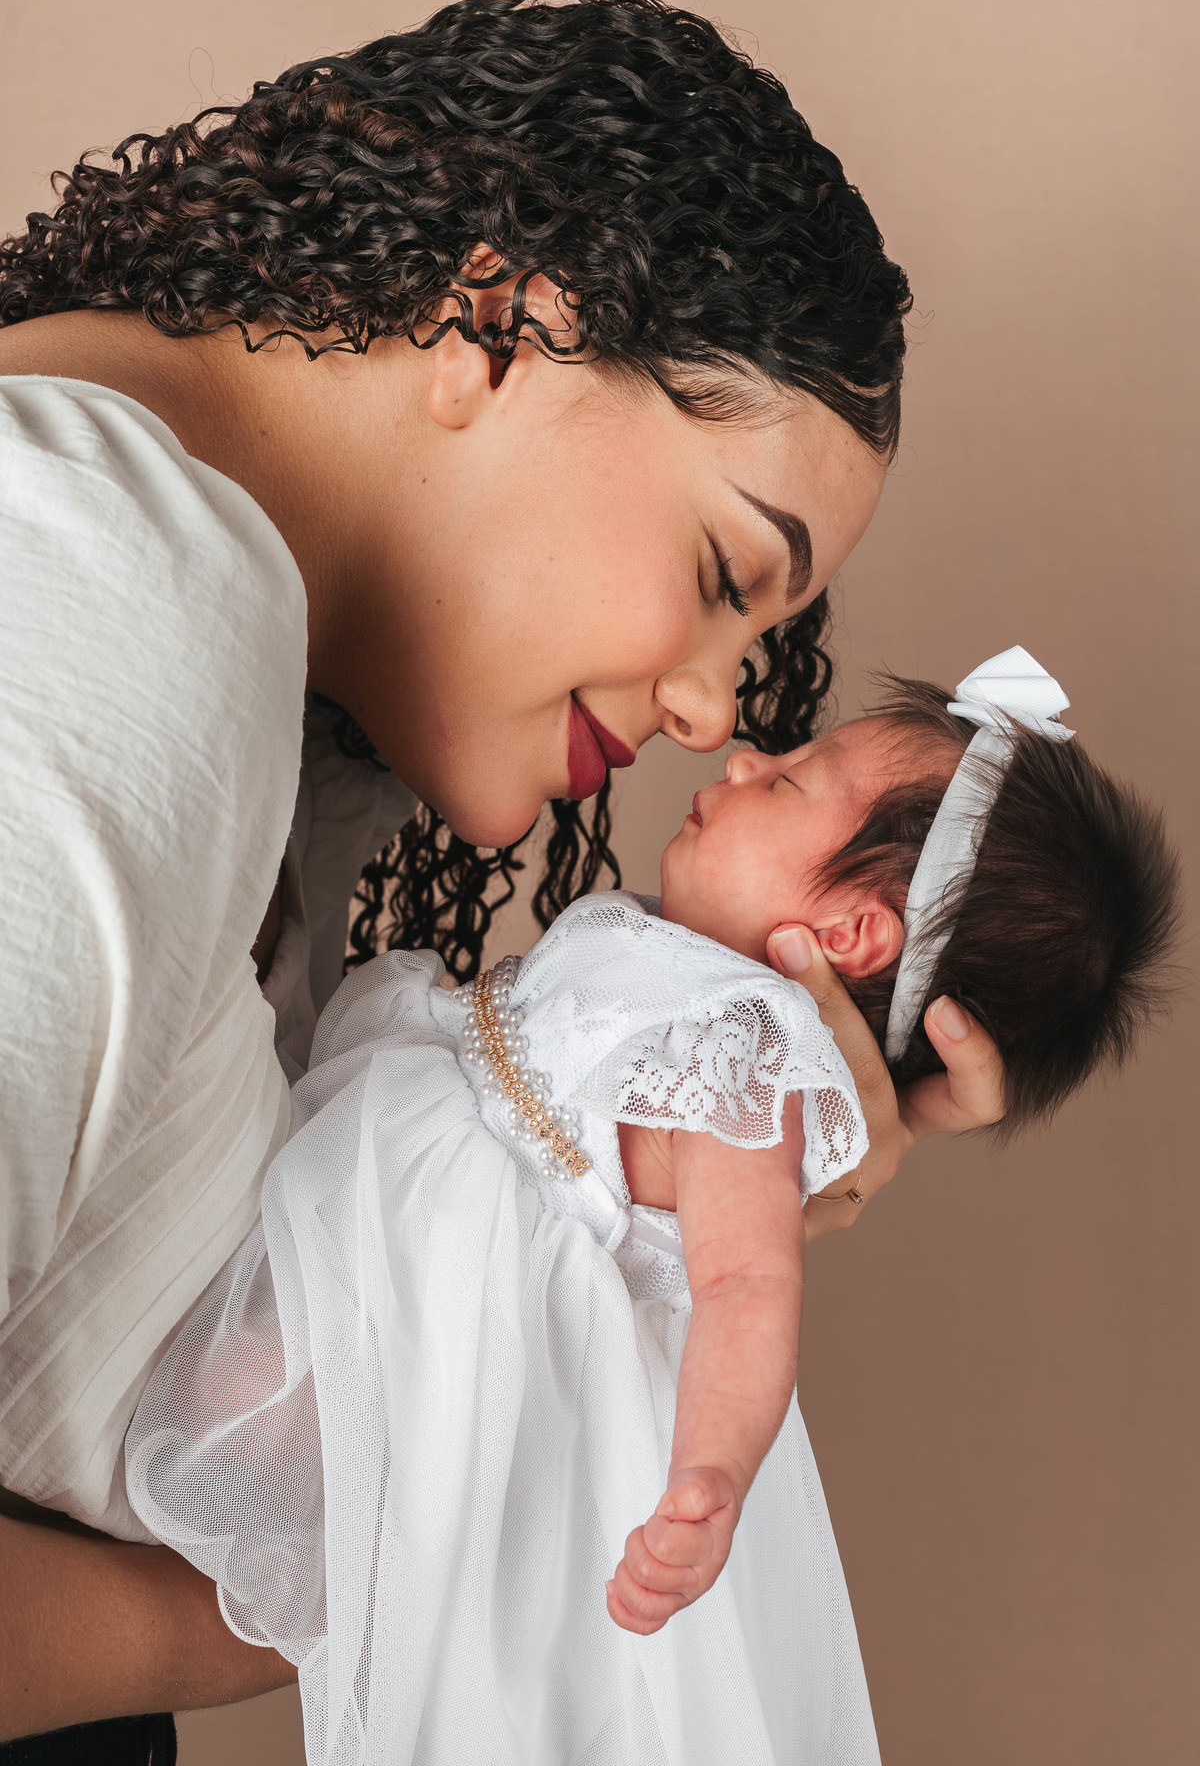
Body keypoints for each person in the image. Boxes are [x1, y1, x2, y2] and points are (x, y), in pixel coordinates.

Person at [0, 0, 1007, 1751]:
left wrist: (651, 1187)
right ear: (496, 321)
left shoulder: (268, 705)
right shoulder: (113, 593)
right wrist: (269, 1602)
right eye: (726, 573)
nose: (711, 711)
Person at [121, 650, 1177, 1766]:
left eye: (788, 780)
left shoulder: (747, 1052)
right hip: (390, 1211)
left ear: (852, 934)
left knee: (230, 1397)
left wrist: (711, 1472)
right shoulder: (679, 965)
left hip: (440, 1309)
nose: (744, 755)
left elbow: (747, 1282)